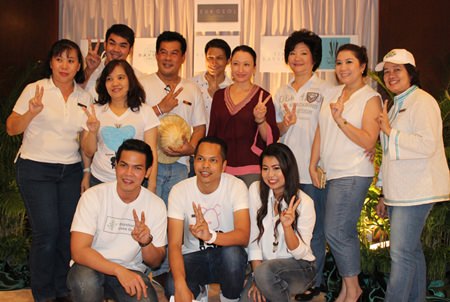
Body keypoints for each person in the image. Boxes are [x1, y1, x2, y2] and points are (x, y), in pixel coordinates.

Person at [6, 39, 91, 301]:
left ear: (79, 66)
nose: (65, 65)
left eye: (71, 60)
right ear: (51, 62)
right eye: (59, 59)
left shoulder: (84, 97)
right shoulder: (36, 89)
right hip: (35, 168)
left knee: (67, 232)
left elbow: (86, 144)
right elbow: (12, 128)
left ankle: (61, 289)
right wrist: (31, 113)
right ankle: (43, 294)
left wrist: (86, 173)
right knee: (46, 233)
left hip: (70, 171)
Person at [375, 49, 450, 302]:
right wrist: (384, 193)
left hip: (418, 190)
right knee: (412, 252)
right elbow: (387, 154)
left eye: (397, 69)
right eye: (386, 71)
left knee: (401, 254)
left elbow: (428, 144)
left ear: (411, 73)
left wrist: (390, 131)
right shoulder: (397, 106)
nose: (391, 75)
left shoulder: (423, 101)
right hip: (400, 192)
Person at [309, 44, 382, 302]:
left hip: (352, 172)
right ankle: (348, 288)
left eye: (349, 62)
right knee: (340, 232)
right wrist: (312, 163)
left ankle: (354, 289)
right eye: (339, 63)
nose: (342, 68)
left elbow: (368, 141)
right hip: (331, 173)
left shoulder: (370, 98)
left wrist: (341, 120)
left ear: (362, 66)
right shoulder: (331, 93)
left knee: (337, 232)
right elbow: (320, 130)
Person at [67, 139, 167, 302]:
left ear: (147, 172)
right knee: (85, 283)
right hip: (90, 267)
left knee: (146, 299)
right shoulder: (93, 196)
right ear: (116, 166)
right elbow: (79, 251)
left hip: (131, 271)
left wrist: (146, 242)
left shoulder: (156, 205)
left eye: (137, 168)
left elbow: (155, 262)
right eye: (123, 165)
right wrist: (118, 270)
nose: (128, 173)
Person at [273, 29, 333, 298]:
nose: (297, 58)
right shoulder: (281, 91)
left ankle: (314, 283)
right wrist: (283, 125)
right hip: (286, 173)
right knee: (288, 227)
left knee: (314, 232)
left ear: (314, 58)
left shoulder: (326, 90)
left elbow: (329, 131)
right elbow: (276, 132)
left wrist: (316, 162)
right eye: (292, 53)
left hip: (313, 172)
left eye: (303, 53)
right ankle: (291, 282)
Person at [166, 136, 249, 302]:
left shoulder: (236, 186)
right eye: (200, 159)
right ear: (193, 161)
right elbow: (174, 245)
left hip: (225, 255)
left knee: (233, 255)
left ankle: (229, 298)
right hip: (193, 256)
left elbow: (243, 235)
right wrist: (180, 284)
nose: (205, 166)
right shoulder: (179, 190)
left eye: (213, 160)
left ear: (224, 165)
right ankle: (199, 292)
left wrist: (211, 236)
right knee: (172, 287)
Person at [240, 143, 316, 302]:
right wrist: (257, 279)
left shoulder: (305, 202)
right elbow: (253, 239)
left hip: (299, 267)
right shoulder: (255, 190)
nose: (270, 175)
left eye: (276, 168)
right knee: (247, 299)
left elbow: (300, 252)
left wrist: (287, 228)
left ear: (288, 169)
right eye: (265, 168)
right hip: (264, 269)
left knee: (265, 274)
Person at [140, 31, 206, 204]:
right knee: (149, 214)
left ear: (183, 57)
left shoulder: (192, 88)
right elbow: (134, 120)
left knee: (176, 217)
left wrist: (191, 148)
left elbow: (199, 127)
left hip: (181, 165)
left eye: (174, 53)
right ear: (156, 55)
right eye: (163, 52)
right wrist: (161, 108)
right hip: (147, 164)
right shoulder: (141, 85)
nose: (167, 58)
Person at [81, 59, 159, 192]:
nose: (115, 83)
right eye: (109, 79)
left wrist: (151, 185)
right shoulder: (95, 111)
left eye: (121, 77)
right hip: (100, 180)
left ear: (130, 80)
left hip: (134, 182)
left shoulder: (145, 111)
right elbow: (88, 152)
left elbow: (152, 153)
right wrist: (93, 132)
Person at [208, 45, 280, 187]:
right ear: (230, 65)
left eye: (246, 65)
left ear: (254, 68)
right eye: (236, 64)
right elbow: (213, 134)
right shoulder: (219, 96)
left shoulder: (263, 97)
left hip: (252, 170)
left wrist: (261, 121)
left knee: (252, 208)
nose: (240, 70)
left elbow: (270, 138)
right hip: (223, 169)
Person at [83, 24, 141, 100]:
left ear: (130, 50)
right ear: (105, 45)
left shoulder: (139, 78)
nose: (116, 49)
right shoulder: (90, 72)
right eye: (112, 43)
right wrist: (89, 70)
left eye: (122, 46)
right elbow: (74, 93)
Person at [191, 38, 233, 131]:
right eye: (210, 58)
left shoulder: (233, 88)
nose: (214, 63)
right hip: (194, 142)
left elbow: (232, 122)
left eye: (219, 58)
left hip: (221, 143)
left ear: (228, 61)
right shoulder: (191, 84)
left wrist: (217, 96)